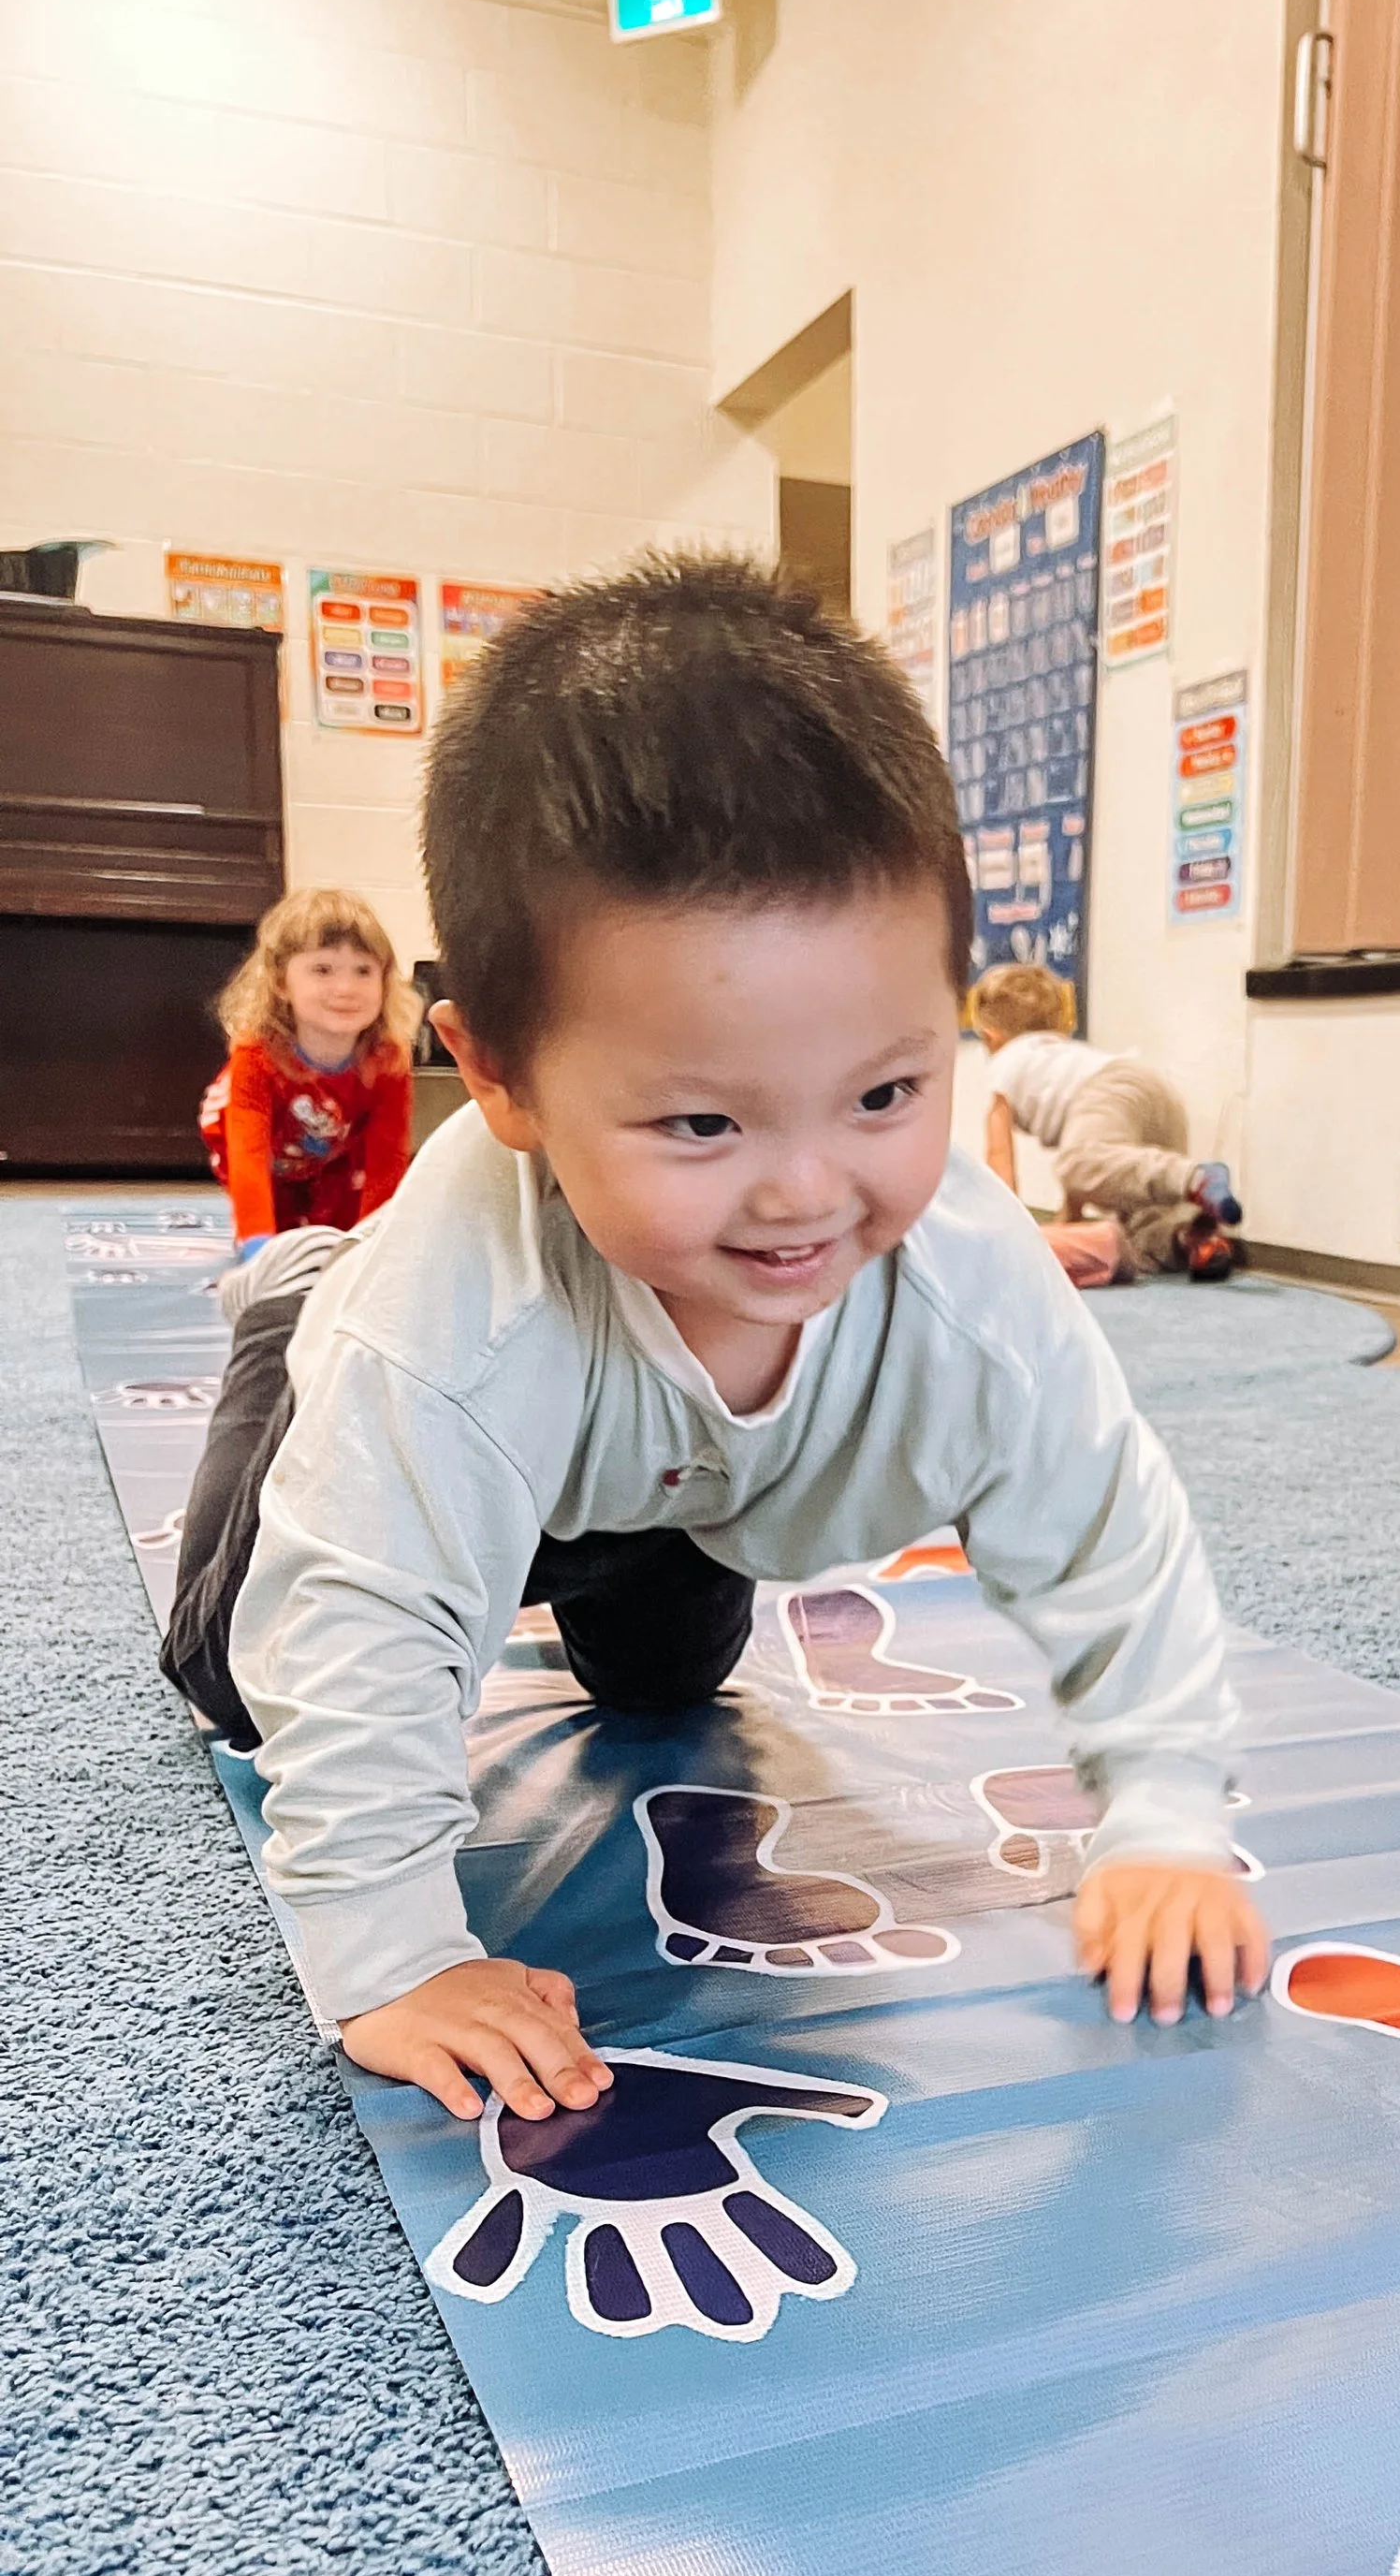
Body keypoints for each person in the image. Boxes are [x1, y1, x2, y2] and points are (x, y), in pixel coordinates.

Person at [162, 553, 1269, 2130]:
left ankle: (654, 1479)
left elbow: (1111, 1534)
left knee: (670, 1686)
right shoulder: (456, 1321)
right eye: (701, 1119)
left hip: (669, 1476)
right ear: (500, 1076)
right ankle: (292, 1312)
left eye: (887, 1092)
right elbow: (358, 1634)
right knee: (242, 1675)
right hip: (448, 1415)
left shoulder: (963, 1275)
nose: (808, 1191)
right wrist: (393, 1951)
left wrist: (1162, 1817)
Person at [970, 961, 1244, 1281]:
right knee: (1141, 1222)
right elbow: (1090, 1163)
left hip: (1111, 1090)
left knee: (1080, 1163)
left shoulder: (1004, 1063)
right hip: (1157, 1095)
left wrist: (1007, 1229)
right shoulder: (1064, 1054)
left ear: (991, 1038)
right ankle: (1192, 1240)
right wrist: (1068, 1219)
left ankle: (1195, 1178)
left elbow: (1000, 1159)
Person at [199, 887, 416, 1255]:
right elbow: (247, 1154)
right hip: (261, 1147)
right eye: (322, 970)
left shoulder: (387, 1061)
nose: (345, 988)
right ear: (282, 982)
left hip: (334, 1154)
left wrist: (371, 1244)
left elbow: (387, 1159)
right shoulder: (257, 1055)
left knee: (343, 1231)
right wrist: (256, 1243)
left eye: (364, 971)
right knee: (278, 1234)